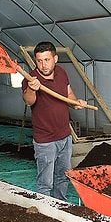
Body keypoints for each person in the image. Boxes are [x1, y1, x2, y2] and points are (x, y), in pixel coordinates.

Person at [22, 41, 87, 201]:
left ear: (55, 58)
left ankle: (61, 205)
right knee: (45, 182)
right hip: (45, 141)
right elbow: (28, 101)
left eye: (47, 59)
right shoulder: (31, 79)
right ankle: (45, 210)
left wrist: (75, 103)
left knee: (63, 177)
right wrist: (32, 88)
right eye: (39, 61)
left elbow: (68, 93)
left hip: (65, 137)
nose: (43, 65)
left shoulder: (62, 73)